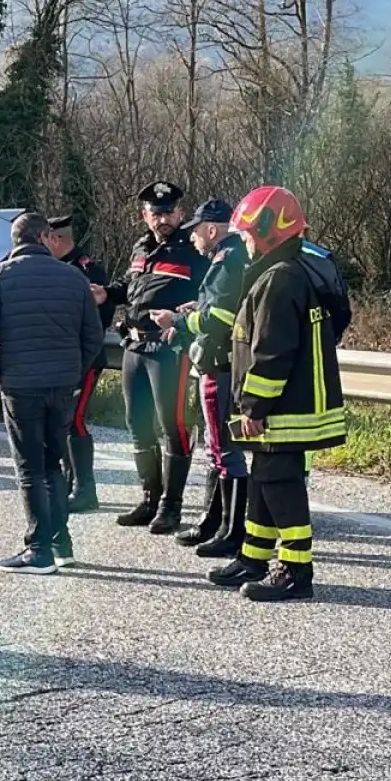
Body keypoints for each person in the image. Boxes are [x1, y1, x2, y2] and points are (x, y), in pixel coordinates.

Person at [217, 185, 349, 602]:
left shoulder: (280, 279)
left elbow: (272, 352)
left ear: (271, 230)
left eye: (247, 233)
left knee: (281, 483)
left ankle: (295, 571)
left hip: (283, 407)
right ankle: (253, 558)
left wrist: (254, 405)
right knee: (262, 478)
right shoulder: (288, 271)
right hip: (287, 404)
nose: (243, 240)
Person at [0, 212, 104, 574]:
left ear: (15, 241)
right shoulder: (74, 278)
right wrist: (73, 371)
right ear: (44, 237)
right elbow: (93, 335)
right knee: (53, 464)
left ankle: (38, 549)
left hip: (19, 384)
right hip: (61, 385)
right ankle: (62, 543)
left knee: (30, 468)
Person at [99, 181, 208, 533]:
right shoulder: (141, 247)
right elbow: (133, 288)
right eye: (155, 213)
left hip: (168, 348)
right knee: (137, 424)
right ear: (144, 216)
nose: (163, 219)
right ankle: (149, 499)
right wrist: (107, 293)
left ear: (180, 213)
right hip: (133, 346)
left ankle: (170, 507)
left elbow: (211, 294)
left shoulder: (193, 249)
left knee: (173, 425)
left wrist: (185, 321)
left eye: (168, 212)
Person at [148, 199, 247, 558]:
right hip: (219, 364)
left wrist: (176, 322)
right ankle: (214, 522)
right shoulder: (232, 258)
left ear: (211, 229)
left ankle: (231, 532)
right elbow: (218, 308)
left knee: (224, 451)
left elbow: (220, 319)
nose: (192, 239)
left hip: (219, 366)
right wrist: (195, 309)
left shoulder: (227, 260)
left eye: (195, 231)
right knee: (216, 449)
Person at [43, 215, 111, 513]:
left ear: (56, 239)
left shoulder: (86, 271)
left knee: (75, 420)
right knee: (63, 422)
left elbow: (100, 318)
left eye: (44, 240)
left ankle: (85, 489)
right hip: (62, 359)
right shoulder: (53, 269)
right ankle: (71, 483)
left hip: (85, 359)